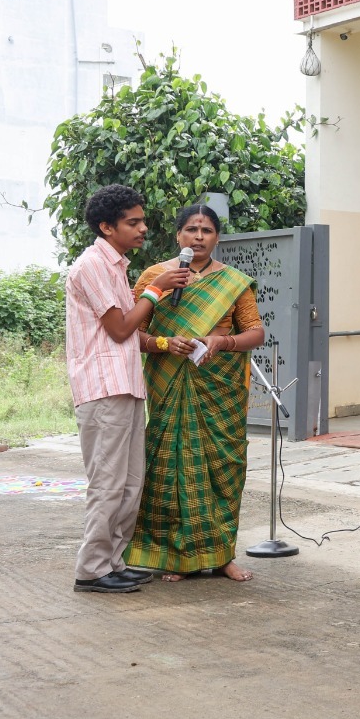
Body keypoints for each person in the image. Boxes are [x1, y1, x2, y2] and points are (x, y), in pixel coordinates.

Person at [127, 205, 266, 581]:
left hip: (219, 387)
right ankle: (175, 555)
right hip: (169, 382)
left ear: (217, 237)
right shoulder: (155, 276)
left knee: (223, 468)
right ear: (178, 235)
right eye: (191, 229)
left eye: (207, 230)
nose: (199, 237)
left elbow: (256, 333)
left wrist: (222, 341)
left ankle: (222, 556)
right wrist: (163, 342)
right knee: (170, 468)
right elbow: (131, 331)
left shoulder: (233, 282)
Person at [64, 185, 189, 593]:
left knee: (130, 482)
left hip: (126, 384)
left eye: (142, 221)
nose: (142, 228)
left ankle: (113, 562)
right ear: (106, 226)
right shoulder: (92, 265)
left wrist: (162, 341)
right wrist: (156, 289)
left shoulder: (116, 265)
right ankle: (92, 569)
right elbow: (120, 329)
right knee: (107, 482)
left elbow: (129, 331)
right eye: (132, 222)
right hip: (103, 388)